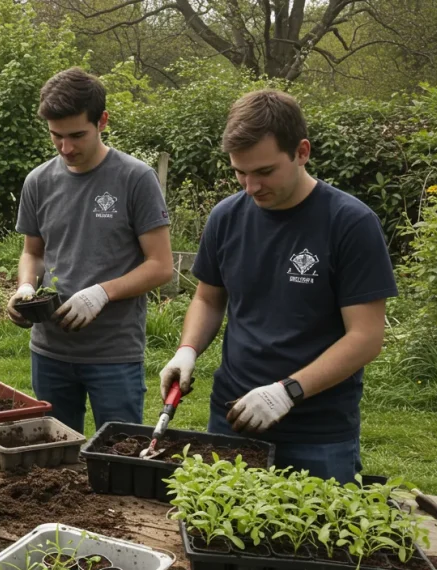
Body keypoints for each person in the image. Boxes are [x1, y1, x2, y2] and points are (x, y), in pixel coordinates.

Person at [159, 89, 397, 483]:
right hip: (232, 418)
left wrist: (288, 391)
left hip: (318, 433)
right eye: (240, 172)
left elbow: (366, 338)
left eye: (265, 172)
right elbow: (208, 297)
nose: (250, 187)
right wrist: (187, 349)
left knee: (317, 541)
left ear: (301, 151)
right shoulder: (226, 218)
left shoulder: (350, 224)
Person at [6, 67, 174, 435]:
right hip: (49, 350)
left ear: (103, 122)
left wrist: (102, 293)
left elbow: (161, 266)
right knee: (53, 461)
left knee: (118, 455)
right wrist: (24, 287)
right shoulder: (38, 181)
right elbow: (33, 252)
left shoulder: (135, 178)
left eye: (77, 135)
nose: (66, 148)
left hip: (113, 353)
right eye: (56, 136)